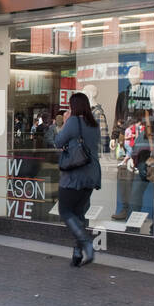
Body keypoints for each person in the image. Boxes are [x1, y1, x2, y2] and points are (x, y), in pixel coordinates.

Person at [55, 92, 102, 267]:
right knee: (79, 213)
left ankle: (87, 244)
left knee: (66, 211)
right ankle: (77, 254)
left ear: (73, 106)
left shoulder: (74, 122)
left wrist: (64, 123)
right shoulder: (94, 123)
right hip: (91, 174)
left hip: (75, 174)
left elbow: (58, 141)